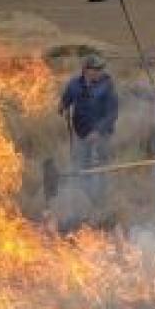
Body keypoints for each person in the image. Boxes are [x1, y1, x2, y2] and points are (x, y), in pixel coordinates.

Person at [58, 54, 119, 204]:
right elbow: (65, 101)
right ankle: (84, 198)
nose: (100, 72)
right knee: (82, 165)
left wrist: (98, 131)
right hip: (81, 133)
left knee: (101, 166)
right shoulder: (74, 85)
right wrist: (63, 108)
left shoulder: (107, 86)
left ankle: (101, 200)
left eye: (101, 69)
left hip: (102, 135)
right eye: (96, 69)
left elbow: (112, 113)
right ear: (86, 70)